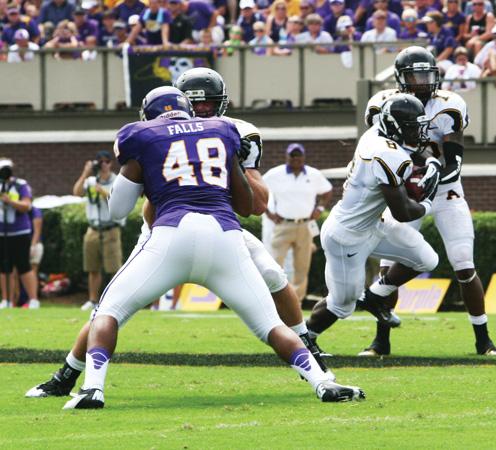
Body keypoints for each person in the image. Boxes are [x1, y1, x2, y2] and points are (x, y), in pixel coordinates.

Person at [26, 68, 335, 399]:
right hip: (172, 226)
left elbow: (256, 203)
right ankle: (67, 374)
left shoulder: (231, 132)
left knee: (273, 275)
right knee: (113, 307)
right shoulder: (215, 131)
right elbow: (149, 204)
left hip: (215, 221)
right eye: (195, 105)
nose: (203, 111)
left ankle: (307, 344)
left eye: (208, 105)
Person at [360, 46, 496, 357]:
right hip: (405, 191)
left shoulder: (449, 106)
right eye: (415, 75)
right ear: (400, 78)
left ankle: (484, 340)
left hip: (445, 189)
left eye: (427, 74)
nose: (423, 82)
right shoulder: (383, 105)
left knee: (464, 262)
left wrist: (432, 172)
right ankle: (380, 341)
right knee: (387, 269)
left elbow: (454, 161)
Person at [304, 94, 441, 349]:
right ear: (396, 127)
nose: (418, 132)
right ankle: (305, 339)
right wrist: (428, 200)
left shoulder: (375, 135)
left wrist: (429, 160)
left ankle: (374, 296)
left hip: (373, 224)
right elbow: (403, 212)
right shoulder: (387, 155)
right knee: (342, 305)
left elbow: (407, 151)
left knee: (426, 259)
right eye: (412, 126)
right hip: (347, 235)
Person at [264, 143, 332, 303]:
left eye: (298, 156)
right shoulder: (275, 174)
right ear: (286, 157)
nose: (295, 159)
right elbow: (260, 190)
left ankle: (296, 301)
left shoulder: (314, 174)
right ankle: (271, 299)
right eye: (292, 156)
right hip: (282, 225)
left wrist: (320, 207)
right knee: (273, 263)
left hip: (305, 225)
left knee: (302, 267)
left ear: (303, 157)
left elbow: (327, 192)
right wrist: (269, 213)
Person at [73, 151, 123, 312]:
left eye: (106, 161)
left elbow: (115, 199)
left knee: (113, 268)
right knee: (92, 268)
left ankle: (114, 300)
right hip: (93, 229)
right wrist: (85, 173)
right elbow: (77, 192)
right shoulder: (90, 181)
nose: (103, 165)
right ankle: (93, 300)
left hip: (111, 228)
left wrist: (100, 190)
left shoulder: (117, 181)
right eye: (100, 162)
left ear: (111, 163)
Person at [0, 159, 39, 309]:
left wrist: (9, 201)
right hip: (2, 233)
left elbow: (26, 205)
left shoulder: (20, 185)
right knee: (4, 267)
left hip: (19, 232)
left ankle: (33, 299)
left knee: (24, 266)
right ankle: (6, 300)